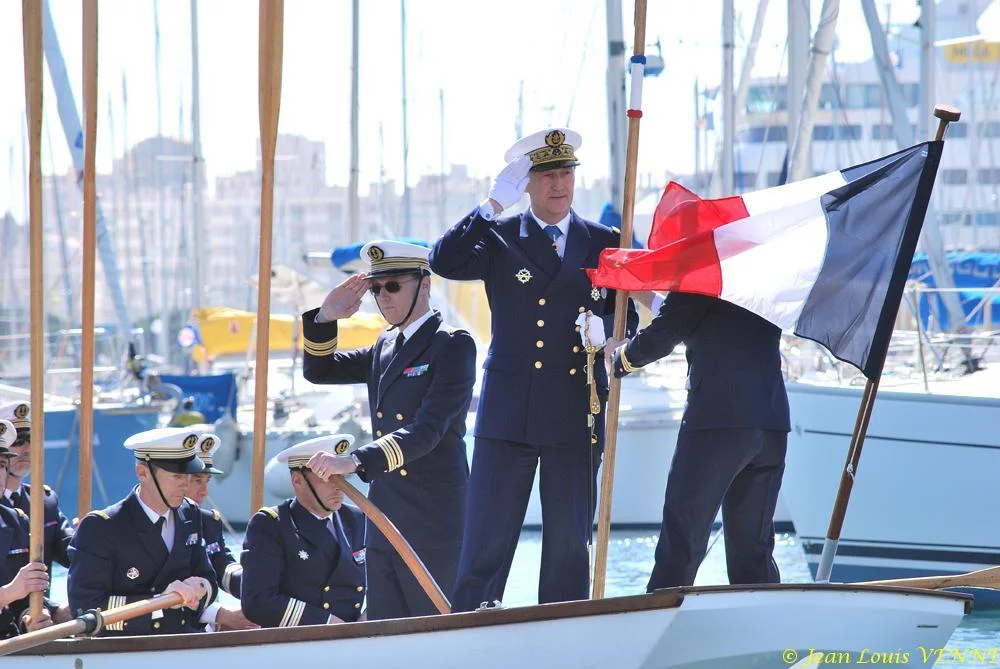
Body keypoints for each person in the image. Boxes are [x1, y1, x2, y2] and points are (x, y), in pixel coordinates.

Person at [429, 128, 637, 609]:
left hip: (575, 408)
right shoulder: (500, 236)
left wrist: (606, 329)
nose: (559, 185)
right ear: (526, 182)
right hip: (510, 411)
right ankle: (473, 636)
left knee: (568, 547)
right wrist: (492, 205)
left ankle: (561, 637)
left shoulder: (605, 241)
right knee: (487, 541)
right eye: (546, 176)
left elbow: (630, 310)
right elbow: (444, 261)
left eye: (565, 173)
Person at [300, 240, 476, 620]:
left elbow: (427, 430)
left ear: (424, 285)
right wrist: (326, 316)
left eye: (393, 285)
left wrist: (355, 460)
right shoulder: (385, 345)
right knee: (384, 631)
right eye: (377, 288)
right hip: (384, 515)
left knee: (435, 634)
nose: (384, 296)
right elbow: (320, 370)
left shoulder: (452, 345)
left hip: (433, 517)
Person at [605, 291, 790, 590]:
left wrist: (621, 358)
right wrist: (647, 295)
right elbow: (699, 313)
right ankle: (762, 631)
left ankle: (658, 626)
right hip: (770, 420)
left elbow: (671, 328)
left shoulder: (704, 263)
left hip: (717, 420)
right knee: (752, 553)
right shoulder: (758, 260)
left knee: (681, 542)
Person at [67, 427, 218, 636]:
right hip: (127, 649)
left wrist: (199, 586)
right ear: (142, 473)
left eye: (188, 475)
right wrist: (159, 602)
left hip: (184, 640)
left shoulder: (190, 514)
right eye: (176, 476)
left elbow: (209, 578)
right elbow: (85, 606)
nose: (186, 484)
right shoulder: (102, 527)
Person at [240, 436, 367, 628]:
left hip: (354, 639)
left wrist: (368, 618)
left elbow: (386, 579)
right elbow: (258, 600)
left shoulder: (357, 519)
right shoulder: (272, 524)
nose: (339, 486)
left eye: (342, 477)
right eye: (328, 477)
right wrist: (326, 623)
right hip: (298, 642)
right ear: (298, 480)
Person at [187, 431, 257, 631]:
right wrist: (220, 615)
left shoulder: (208, 521)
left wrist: (255, 582)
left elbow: (222, 566)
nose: (204, 491)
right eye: (197, 480)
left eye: (207, 481)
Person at [0, 402, 75, 578]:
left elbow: (72, 555)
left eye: (31, 440)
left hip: (40, 605)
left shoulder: (44, 502)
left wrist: (91, 537)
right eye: (18, 441)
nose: (26, 450)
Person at [0, 419, 52, 637]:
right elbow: (13, 592)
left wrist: (31, 618)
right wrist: (7, 594)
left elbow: (21, 602)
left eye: (2, 465)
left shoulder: (14, 521)